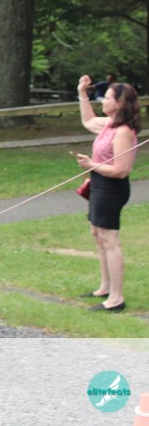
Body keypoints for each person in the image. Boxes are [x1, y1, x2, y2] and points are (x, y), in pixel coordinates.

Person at [75, 75, 139, 313]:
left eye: (107, 98)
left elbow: (121, 170)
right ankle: (105, 287)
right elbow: (88, 121)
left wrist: (91, 164)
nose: (102, 100)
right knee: (97, 235)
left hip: (112, 189)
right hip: (100, 183)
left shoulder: (123, 131)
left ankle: (116, 299)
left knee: (110, 240)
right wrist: (82, 93)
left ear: (119, 103)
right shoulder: (109, 124)